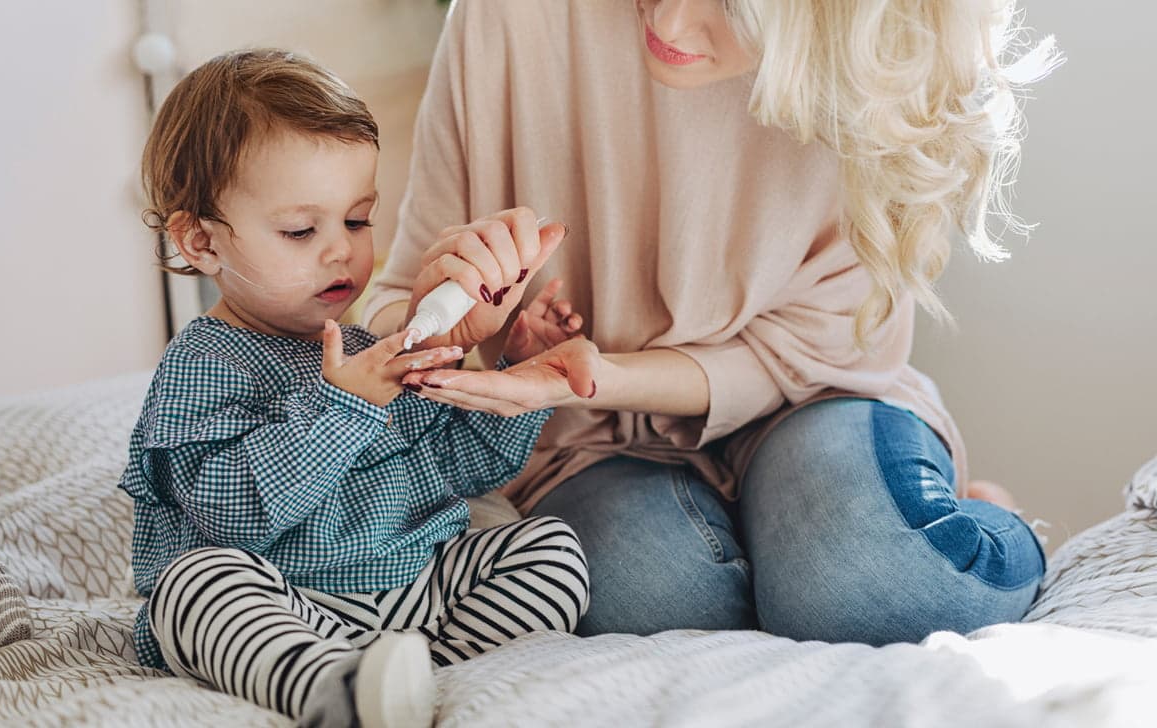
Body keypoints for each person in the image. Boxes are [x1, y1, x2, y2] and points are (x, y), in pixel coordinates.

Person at [365, 0, 1059, 644]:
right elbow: (393, 304)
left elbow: (809, 350)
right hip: (584, 439)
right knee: (663, 612)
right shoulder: (509, 16)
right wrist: (448, 328)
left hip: (809, 398)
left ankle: (984, 517)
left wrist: (603, 373)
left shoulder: (875, 66)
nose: (668, 22)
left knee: (876, 590)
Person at [118, 49, 590, 727]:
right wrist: (345, 407)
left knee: (550, 550)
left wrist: (513, 369)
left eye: (358, 220)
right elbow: (232, 512)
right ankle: (330, 687)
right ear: (201, 242)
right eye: (300, 230)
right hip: (289, 605)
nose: (341, 249)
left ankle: (413, 681)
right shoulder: (203, 364)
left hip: (416, 590)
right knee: (193, 589)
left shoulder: (370, 347)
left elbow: (465, 468)